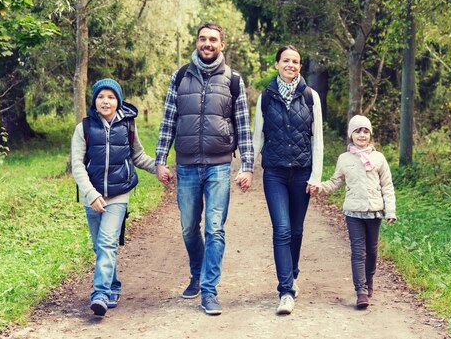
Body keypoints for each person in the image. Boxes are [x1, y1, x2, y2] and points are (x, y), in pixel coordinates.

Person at [156, 23, 254, 316]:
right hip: (186, 165)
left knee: (214, 228)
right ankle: (196, 274)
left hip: (219, 165)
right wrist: (161, 159)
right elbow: (168, 121)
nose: (207, 44)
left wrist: (247, 166)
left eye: (213, 39)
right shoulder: (180, 77)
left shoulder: (233, 80)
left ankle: (209, 291)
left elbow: (244, 128)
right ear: (196, 42)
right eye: (203, 39)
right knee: (188, 228)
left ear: (222, 44)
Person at [72, 78, 157, 317]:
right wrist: (91, 194)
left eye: (110, 97)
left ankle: (99, 293)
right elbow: (77, 166)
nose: (105, 101)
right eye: (101, 97)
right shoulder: (85, 128)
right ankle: (114, 285)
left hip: (119, 194)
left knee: (107, 242)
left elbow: (138, 156)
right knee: (100, 247)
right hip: (92, 196)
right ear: (95, 100)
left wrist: (159, 168)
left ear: (118, 101)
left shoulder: (128, 126)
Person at [252, 45, 323, 315]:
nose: (290, 65)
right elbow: (258, 136)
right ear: (276, 64)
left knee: (296, 230)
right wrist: (247, 168)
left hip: (302, 173)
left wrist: (316, 176)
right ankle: (286, 291)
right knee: (281, 230)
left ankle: (292, 272)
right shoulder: (266, 97)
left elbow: (317, 140)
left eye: (295, 61)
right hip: (275, 173)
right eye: (285, 61)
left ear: (300, 66)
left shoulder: (310, 96)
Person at [314, 115, 396, 310]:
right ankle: (360, 291)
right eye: (357, 131)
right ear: (351, 135)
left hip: (374, 212)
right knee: (358, 252)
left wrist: (390, 210)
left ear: (370, 135)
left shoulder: (378, 158)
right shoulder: (344, 159)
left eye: (365, 131)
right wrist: (319, 187)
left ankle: (369, 282)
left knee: (372, 252)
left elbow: (387, 186)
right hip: (353, 213)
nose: (362, 135)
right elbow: (335, 182)